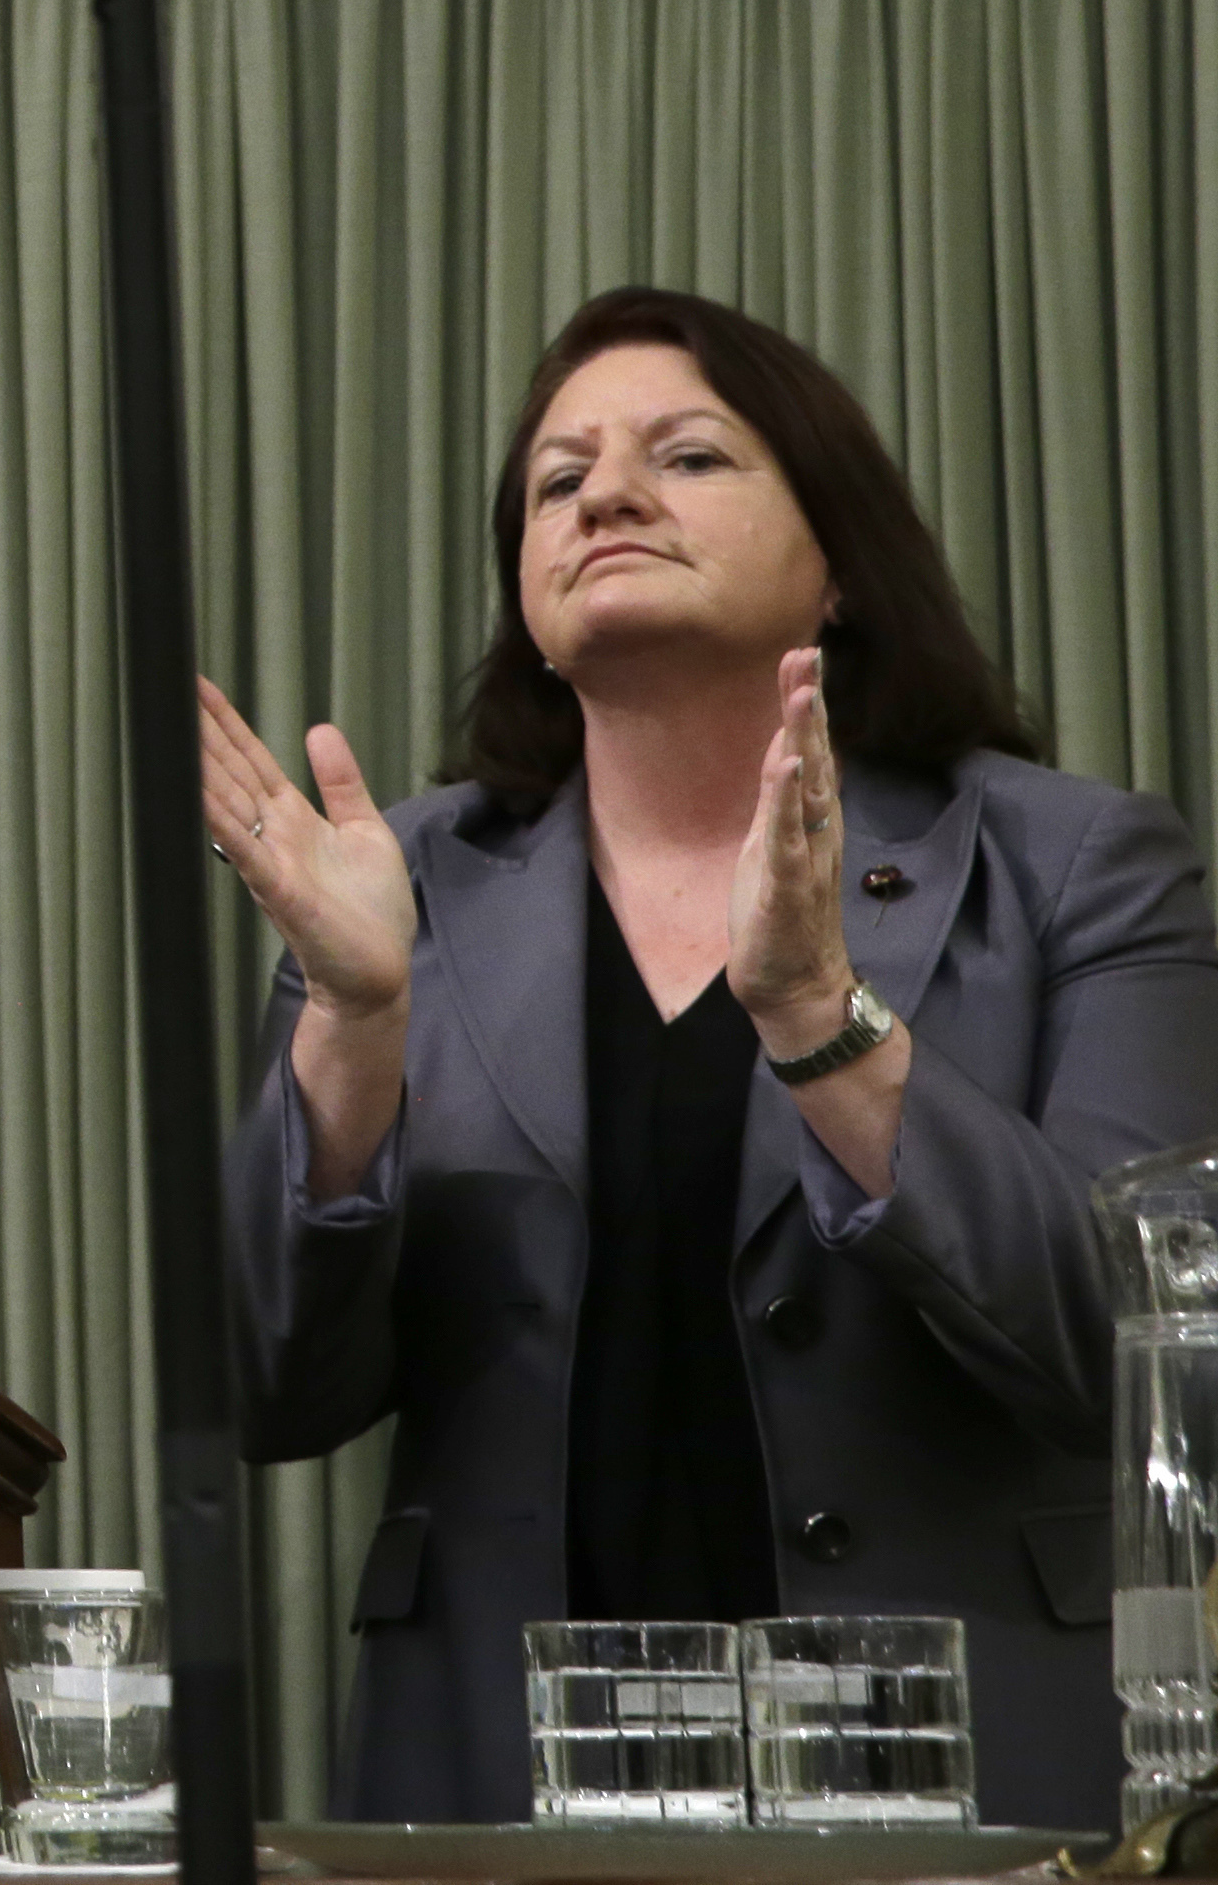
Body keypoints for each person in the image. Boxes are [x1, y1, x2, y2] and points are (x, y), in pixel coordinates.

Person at [209, 288, 1218, 1826]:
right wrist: (351, 1026)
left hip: (966, 1793)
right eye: (559, 479)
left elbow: (1130, 1354)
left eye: (687, 456)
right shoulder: (394, 887)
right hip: (498, 1797)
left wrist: (822, 1016)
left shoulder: (1076, 863)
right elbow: (261, 1389)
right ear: (528, 595)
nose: (606, 492)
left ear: (837, 564)